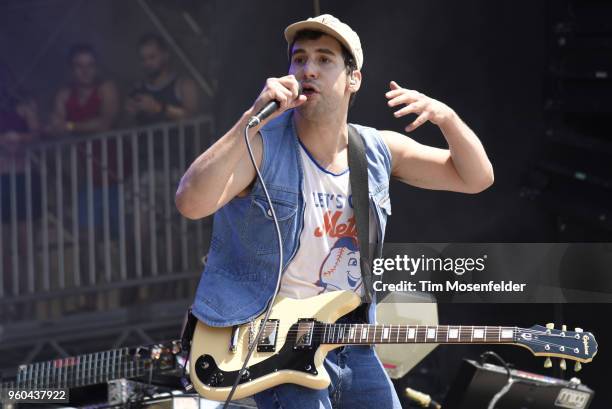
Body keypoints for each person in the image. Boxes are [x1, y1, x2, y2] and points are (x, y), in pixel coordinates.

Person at [175, 14, 494, 409]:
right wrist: (251, 118)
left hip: (350, 343)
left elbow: (476, 177)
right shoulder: (261, 146)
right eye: (299, 59)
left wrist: (445, 117)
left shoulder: (376, 151)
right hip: (272, 345)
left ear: (353, 78)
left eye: (324, 60)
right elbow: (190, 202)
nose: (308, 69)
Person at [125, 33, 199, 125]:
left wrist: (158, 108)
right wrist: (130, 115)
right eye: (143, 59)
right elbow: (126, 130)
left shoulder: (183, 85)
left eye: (152, 57)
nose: (147, 63)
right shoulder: (137, 90)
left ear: (165, 55)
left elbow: (192, 118)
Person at [48, 43, 119, 135]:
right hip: (81, 149)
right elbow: (58, 126)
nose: (86, 71)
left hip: (112, 148)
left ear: (96, 68)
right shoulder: (64, 94)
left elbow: (105, 124)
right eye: (79, 66)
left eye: (90, 65)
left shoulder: (106, 88)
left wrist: (70, 126)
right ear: (71, 69)